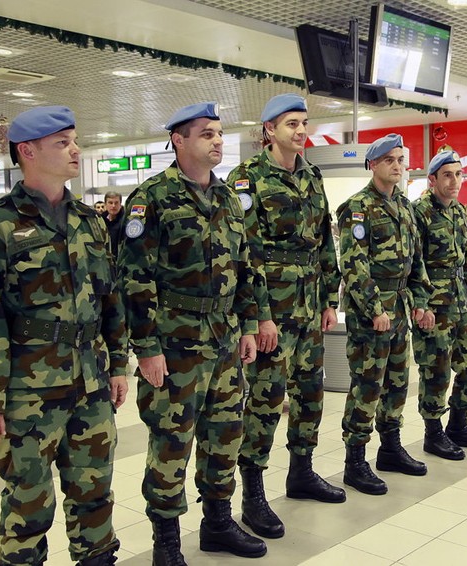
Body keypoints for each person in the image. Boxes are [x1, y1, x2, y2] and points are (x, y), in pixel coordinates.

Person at [0, 106, 129, 566]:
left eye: (74, 140)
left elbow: (110, 299)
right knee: (29, 501)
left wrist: (118, 363)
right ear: (27, 151)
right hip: (27, 392)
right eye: (63, 143)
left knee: (95, 491)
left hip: (90, 383)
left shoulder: (89, 222)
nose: (76, 150)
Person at [119, 102, 266, 563]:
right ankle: (166, 541)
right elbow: (133, 278)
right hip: (175, 343)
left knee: (225, 433)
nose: (217, 141)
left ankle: (218, 523)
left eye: (220, 133)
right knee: (171, 439)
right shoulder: (152, 199)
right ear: (179, 141)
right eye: (206, 134)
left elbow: (243, 268)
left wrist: (246, 324)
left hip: (223, 340)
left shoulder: (227, 199)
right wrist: (146, 347)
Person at [226, 93, 345, 540]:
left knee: (310, 393)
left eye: (304, 122)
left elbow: (324, 240)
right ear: (269, 131)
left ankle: (301, 472)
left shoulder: (312, 176)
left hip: (310, 308)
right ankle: (253, 493)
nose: (300, 130)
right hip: (272, 312)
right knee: (265, 401)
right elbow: (245, 252)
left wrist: (330, 299)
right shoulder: (247, 179)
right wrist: (258, 317)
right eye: (291, 123)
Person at [336, 133, 435, 495]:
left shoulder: (406, 207)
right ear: (372, 164)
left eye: (401, 160)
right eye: (389, 160)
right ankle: (355, 461)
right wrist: (375, 309)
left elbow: (416, 262)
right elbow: (354, 265)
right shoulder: (357, 208)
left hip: (401, 308)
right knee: (368, 385)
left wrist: (421, 302)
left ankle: (390, 448)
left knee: (396, 382)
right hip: (371, 314)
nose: (397, 166)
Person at [412, 150, 467, 461]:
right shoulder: (419, 212)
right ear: (433, 179)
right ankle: (433, 433)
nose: (455, 181)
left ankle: (458, 425)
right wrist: (421, 305)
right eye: (448, 175)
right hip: (434, 305)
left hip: (459, 302)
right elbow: (413, 263)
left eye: (459, 174)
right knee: (436, 371)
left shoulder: (459, 212)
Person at [101, 191, 124, 258]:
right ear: (105, 204)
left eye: (116, 203)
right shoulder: (100, 220)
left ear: (120, 204)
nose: (113, 206)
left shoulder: (126, 221)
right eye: (110, 203)